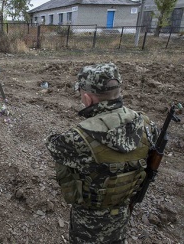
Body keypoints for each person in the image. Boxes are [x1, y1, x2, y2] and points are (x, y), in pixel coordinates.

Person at [45, 63, 157, 243]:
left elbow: (52, 145)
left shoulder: (78, 138)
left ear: (88, 99)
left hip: (87, 224)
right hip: (122, 215)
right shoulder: (147, 125)